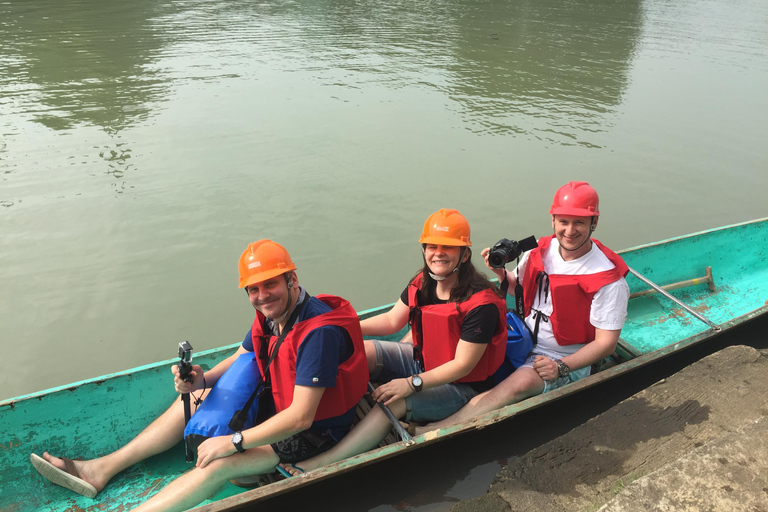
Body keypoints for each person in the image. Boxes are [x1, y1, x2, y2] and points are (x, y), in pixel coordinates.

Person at [30, 240, 369, 512]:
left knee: (219, 465)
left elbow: (301, 418)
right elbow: (244, 355)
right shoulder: (272, 314)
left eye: (271, 284)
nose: (262, 295)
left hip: (316, 432)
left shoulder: (318, 333)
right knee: (196, 396)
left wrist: (234, 442)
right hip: (281, 403)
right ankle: (101, 469)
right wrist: (200, 379)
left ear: (291, 279)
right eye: (253, 289)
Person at [282, 209, 508, 475]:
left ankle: (324, 461)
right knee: (363, 352)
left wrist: (410, 384)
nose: (438, 253)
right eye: (432, 246)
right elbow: (392, 322)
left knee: (392, 403)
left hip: (461, 387)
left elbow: (462, 366)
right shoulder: (423, 282)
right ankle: (312, 418)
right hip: (423, 362)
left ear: (465, 254)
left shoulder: (481, 305)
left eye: (448, 247)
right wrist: (339, 326)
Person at [417, 181, 630, 433]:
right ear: (552, 220)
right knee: (466, 353)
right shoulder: (538, 251)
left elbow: (606, 344)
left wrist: (561, 367)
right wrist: (500, 273)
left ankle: (436, 429)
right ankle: (429, 395)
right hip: (520, 338)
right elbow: (517, 289)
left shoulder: (607, 278)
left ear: (594, 223)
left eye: (579, 222)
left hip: (561, 357)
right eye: (563, 221)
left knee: (518, 384)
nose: (570, 230)